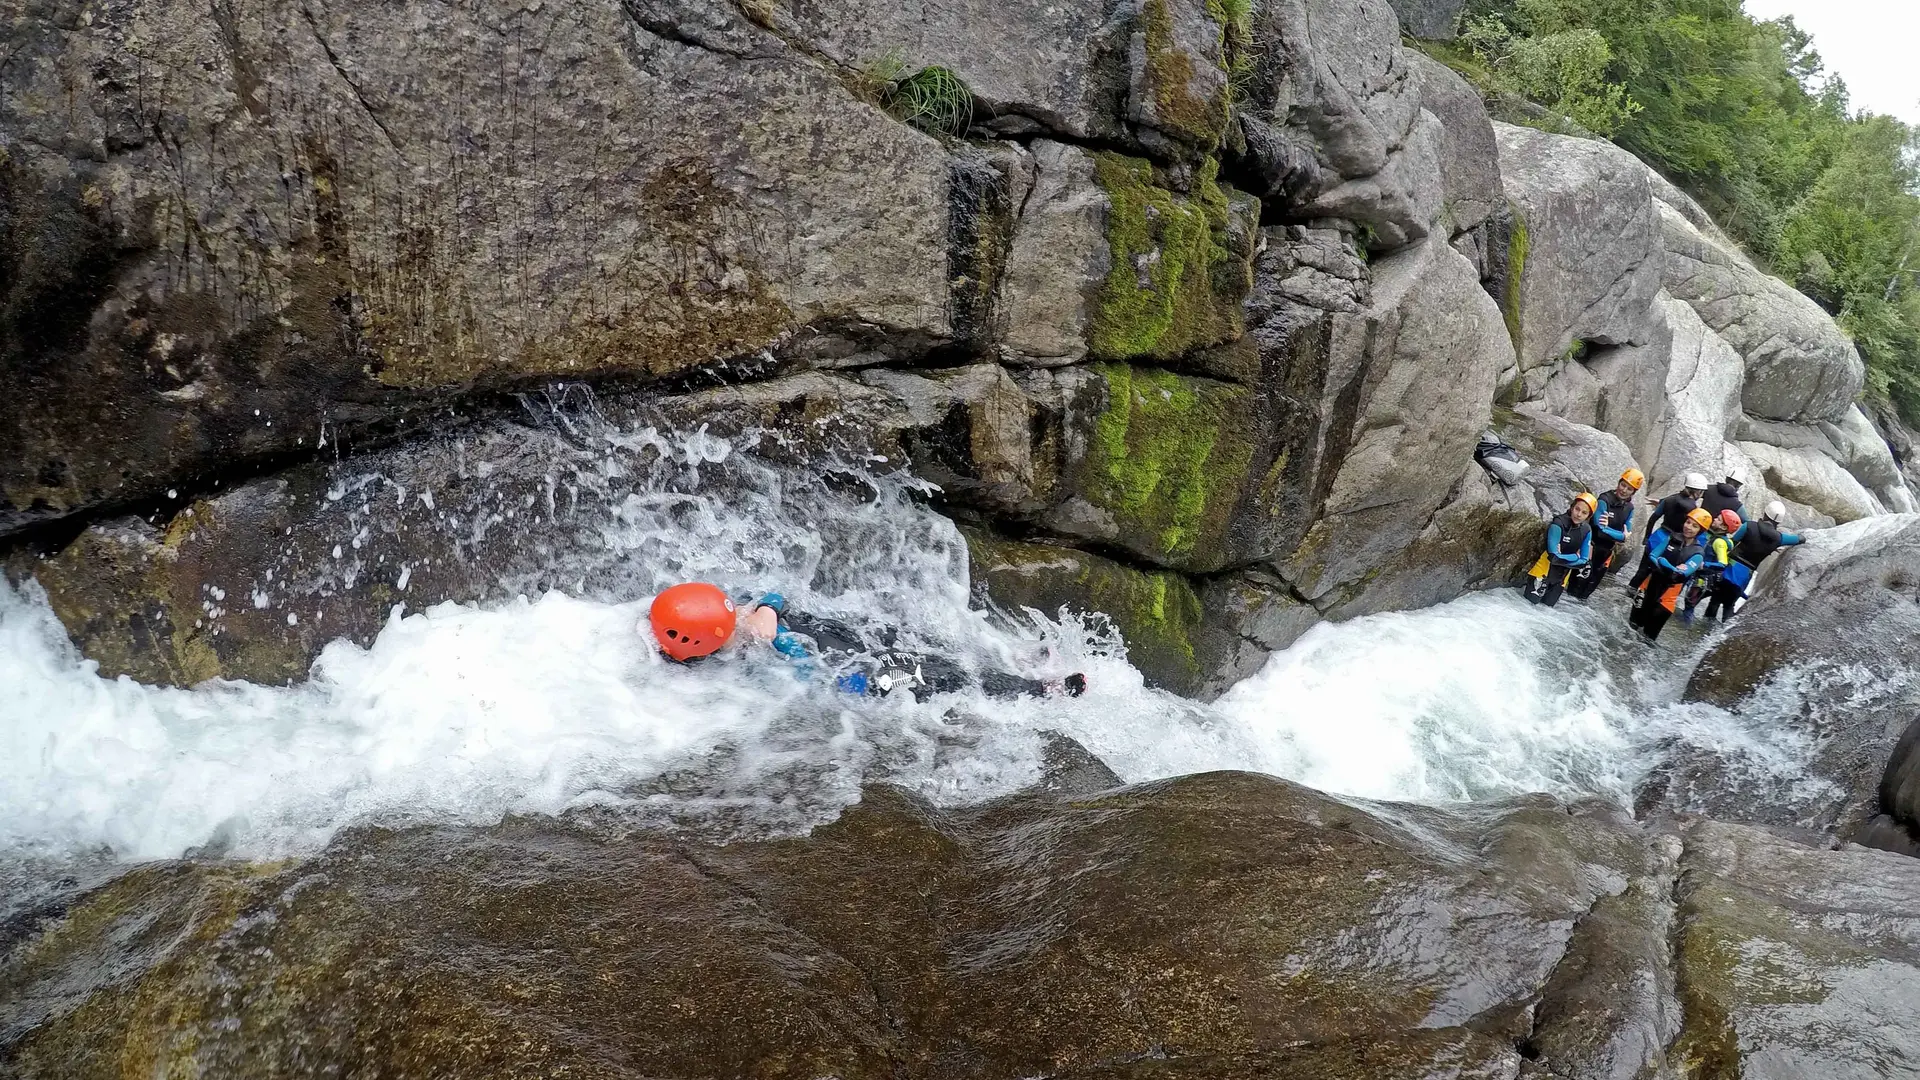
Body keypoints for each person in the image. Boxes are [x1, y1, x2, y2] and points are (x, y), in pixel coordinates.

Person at [645, 583, 1086, 700]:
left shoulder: (733, 625)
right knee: (939, 676)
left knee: (925, 647)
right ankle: (1038, 690)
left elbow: (775, 595)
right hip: (857, 680)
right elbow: (816, 677)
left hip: (846, 643)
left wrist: (766, 609)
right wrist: (778, 635)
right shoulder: (754, 652)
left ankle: (1010, 659)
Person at [1704, 501, 1806, 621]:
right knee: (1729, 607)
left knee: (1714, 602)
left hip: (1729, 570)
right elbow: (1800, 539)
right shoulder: (1780, 539)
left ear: (1765, 514)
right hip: (1744, 576)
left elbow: (1731, 544)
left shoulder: (1748, 526)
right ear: (1778, 522)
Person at [1628, 507, 1710, 642]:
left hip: (1667, 595)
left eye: (1694, 526)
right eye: (1688, 522)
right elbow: (1653, 555)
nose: (1688, 527)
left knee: (1648, 639)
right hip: (1649, 586)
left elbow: (1680, 574)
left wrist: (1663, 562)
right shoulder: (1672, 538)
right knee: (1631, 626)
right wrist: (1666, 564)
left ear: (1700, 531)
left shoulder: (1698, 554)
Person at [1567, 468, 1642, 600]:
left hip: (1606, 552)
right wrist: (1620, 534)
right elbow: (1600, 530)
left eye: (1629, 489)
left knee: (1587, 592)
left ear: (1634, 492)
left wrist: (1619, 534)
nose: (1624, 490)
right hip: (1590, 547)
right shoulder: (1604, 499)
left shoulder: (1629, 508)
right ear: (1618, 483)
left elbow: (1626, 534)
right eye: (1623, 485)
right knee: (1574, 588)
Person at [1629, 472, 1708, 590]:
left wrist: (1647, 536)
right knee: (1660, 573)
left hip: (1657, 536)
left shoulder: (1670, 499)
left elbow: (1653, 517)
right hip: (1672, 542)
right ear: (1698, 492)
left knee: (1644, 568)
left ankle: (1632, 587)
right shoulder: (1694, 510)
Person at [1523, 493, 1595, 607]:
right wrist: (1575, 556)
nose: (1579, 514)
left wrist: (1567, 557)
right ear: (1572, 507)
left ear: (1588, 516)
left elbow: (1584, 561)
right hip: (1543, 572)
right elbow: (1553, 557)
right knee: (1527, 607)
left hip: (1561, 578)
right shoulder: (1558, 523)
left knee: (1546, 612)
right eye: (1577, 509)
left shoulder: (1586, 530)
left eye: (1584, 512)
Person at [1679, 509, 1740, 624]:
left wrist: (1704, 564)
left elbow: (1722, 564)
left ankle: (1684, 628)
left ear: (1724, 527)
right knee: (1688, 601)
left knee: (1689, 606)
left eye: (1718, 519)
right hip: (1701, 576)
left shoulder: (1719, 542)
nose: (1715, 519)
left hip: (1703, 578)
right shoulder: (1716, 537)